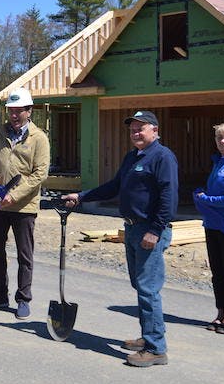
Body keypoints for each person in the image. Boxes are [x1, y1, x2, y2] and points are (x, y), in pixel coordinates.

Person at [62, 110, 178, 367]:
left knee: (148, 289)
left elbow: (169, 198)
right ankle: (149, 335)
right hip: (132, 229)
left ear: (155, 131)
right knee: (140, 286)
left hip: (149, 230)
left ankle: (156, 349)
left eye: (141, 128)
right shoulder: (133, 157)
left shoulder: (162, 157)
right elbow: (114, 187)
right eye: (132, 129)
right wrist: (82, 196)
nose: (135, 133)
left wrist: (155, 230)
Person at [0, 88, 50, 320]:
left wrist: (16, 195)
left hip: (23, 208)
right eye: (11, 110)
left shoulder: (38, 138)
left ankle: (23, 298)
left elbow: (39, 174)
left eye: (19, 110)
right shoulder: (0, 134)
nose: (14, 114)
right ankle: (0, 295)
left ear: (29, 111)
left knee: (24, 255)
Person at [193, 122, 224, 335]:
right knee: (216, 271)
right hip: (212, 223)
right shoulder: (218, 162)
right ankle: (219, 311)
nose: (223, 142)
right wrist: (201, 195)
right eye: (219, 138)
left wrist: (207, 199)